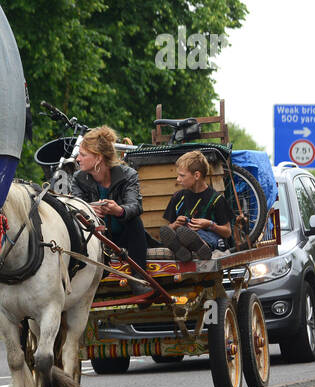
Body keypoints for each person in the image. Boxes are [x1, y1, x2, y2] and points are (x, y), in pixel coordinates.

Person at [69, 125, 150, 293]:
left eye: (83, 155)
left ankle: (139, 279)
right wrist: (89, 209)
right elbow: (74, 207)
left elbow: (135, 205)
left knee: (135, 221)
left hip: (125, 236)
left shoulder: (128, 174)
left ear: (98, 158)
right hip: (96, 238)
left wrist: (118, 210)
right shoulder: (78, 178)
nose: (78, 158)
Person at [157, 150, 231, 260]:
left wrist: (210, 225)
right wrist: (176, 224)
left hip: (211, 239)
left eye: (182, 176)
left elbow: (227, 232)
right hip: (184, 235)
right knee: (179, 231)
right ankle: (186, 251)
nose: (178, 179)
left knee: (194, 234)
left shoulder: (217, 199)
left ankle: (199, 248)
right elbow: (168, 229)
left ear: (196, 175)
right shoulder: (178, 197)